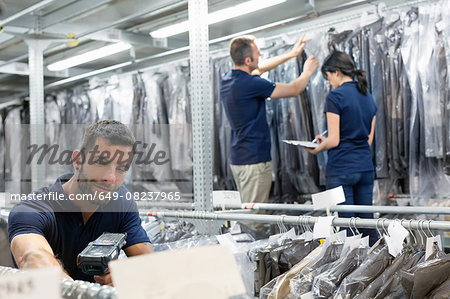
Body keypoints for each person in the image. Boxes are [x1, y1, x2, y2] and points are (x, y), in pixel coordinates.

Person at [8, 120, 153, 285]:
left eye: (121, 168)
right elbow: (33, 257)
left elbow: (150, 265)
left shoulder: (122, 203)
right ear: (77, 161)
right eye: (101, 162)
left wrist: (125, 275)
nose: (111, 178)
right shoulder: (33, 209)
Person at [220, 34, 319, 208]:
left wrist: (291, 54)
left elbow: (260, 68)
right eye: (258, 53)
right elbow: (295, 89)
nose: (261, 56)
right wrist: (307, 72)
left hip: (239, 159)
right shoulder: (251, 84)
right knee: (254, 218)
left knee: (246, 212)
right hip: (254, 162)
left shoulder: (229, 80)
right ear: (248, 60)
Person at [303, 51, 378, 244]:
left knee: (346, 228)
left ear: (336, 72)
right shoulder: (368, 96)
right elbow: (367, 139)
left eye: (327, 77)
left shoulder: (335, 97)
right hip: (364, 167)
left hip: (342, 168)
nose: (329, 82)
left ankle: (350, 272)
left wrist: (317, 148)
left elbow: (334, 140)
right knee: (367, 225)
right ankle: (374, 269)